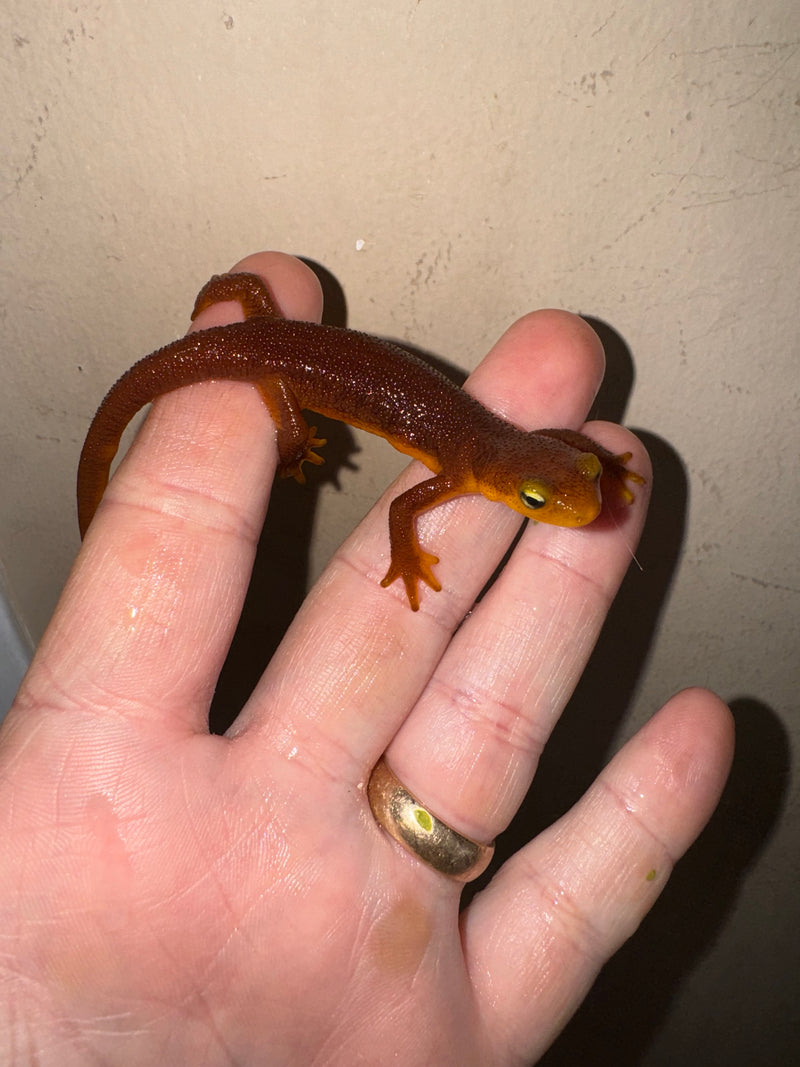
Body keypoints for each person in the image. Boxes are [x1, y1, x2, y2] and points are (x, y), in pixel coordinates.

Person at [0, 251, 733, 1065]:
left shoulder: (510, 447)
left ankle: (235, 308)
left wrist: (583, 468)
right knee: (280, 408)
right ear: (496, 480)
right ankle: (255, 367)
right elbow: (408, 512)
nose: (561, 502)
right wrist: (397, 544)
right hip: (275, 360)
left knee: (260, 313)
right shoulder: (462, 467)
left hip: (272, 338)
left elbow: (558, 448)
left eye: (565, 482)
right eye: (538, 500)